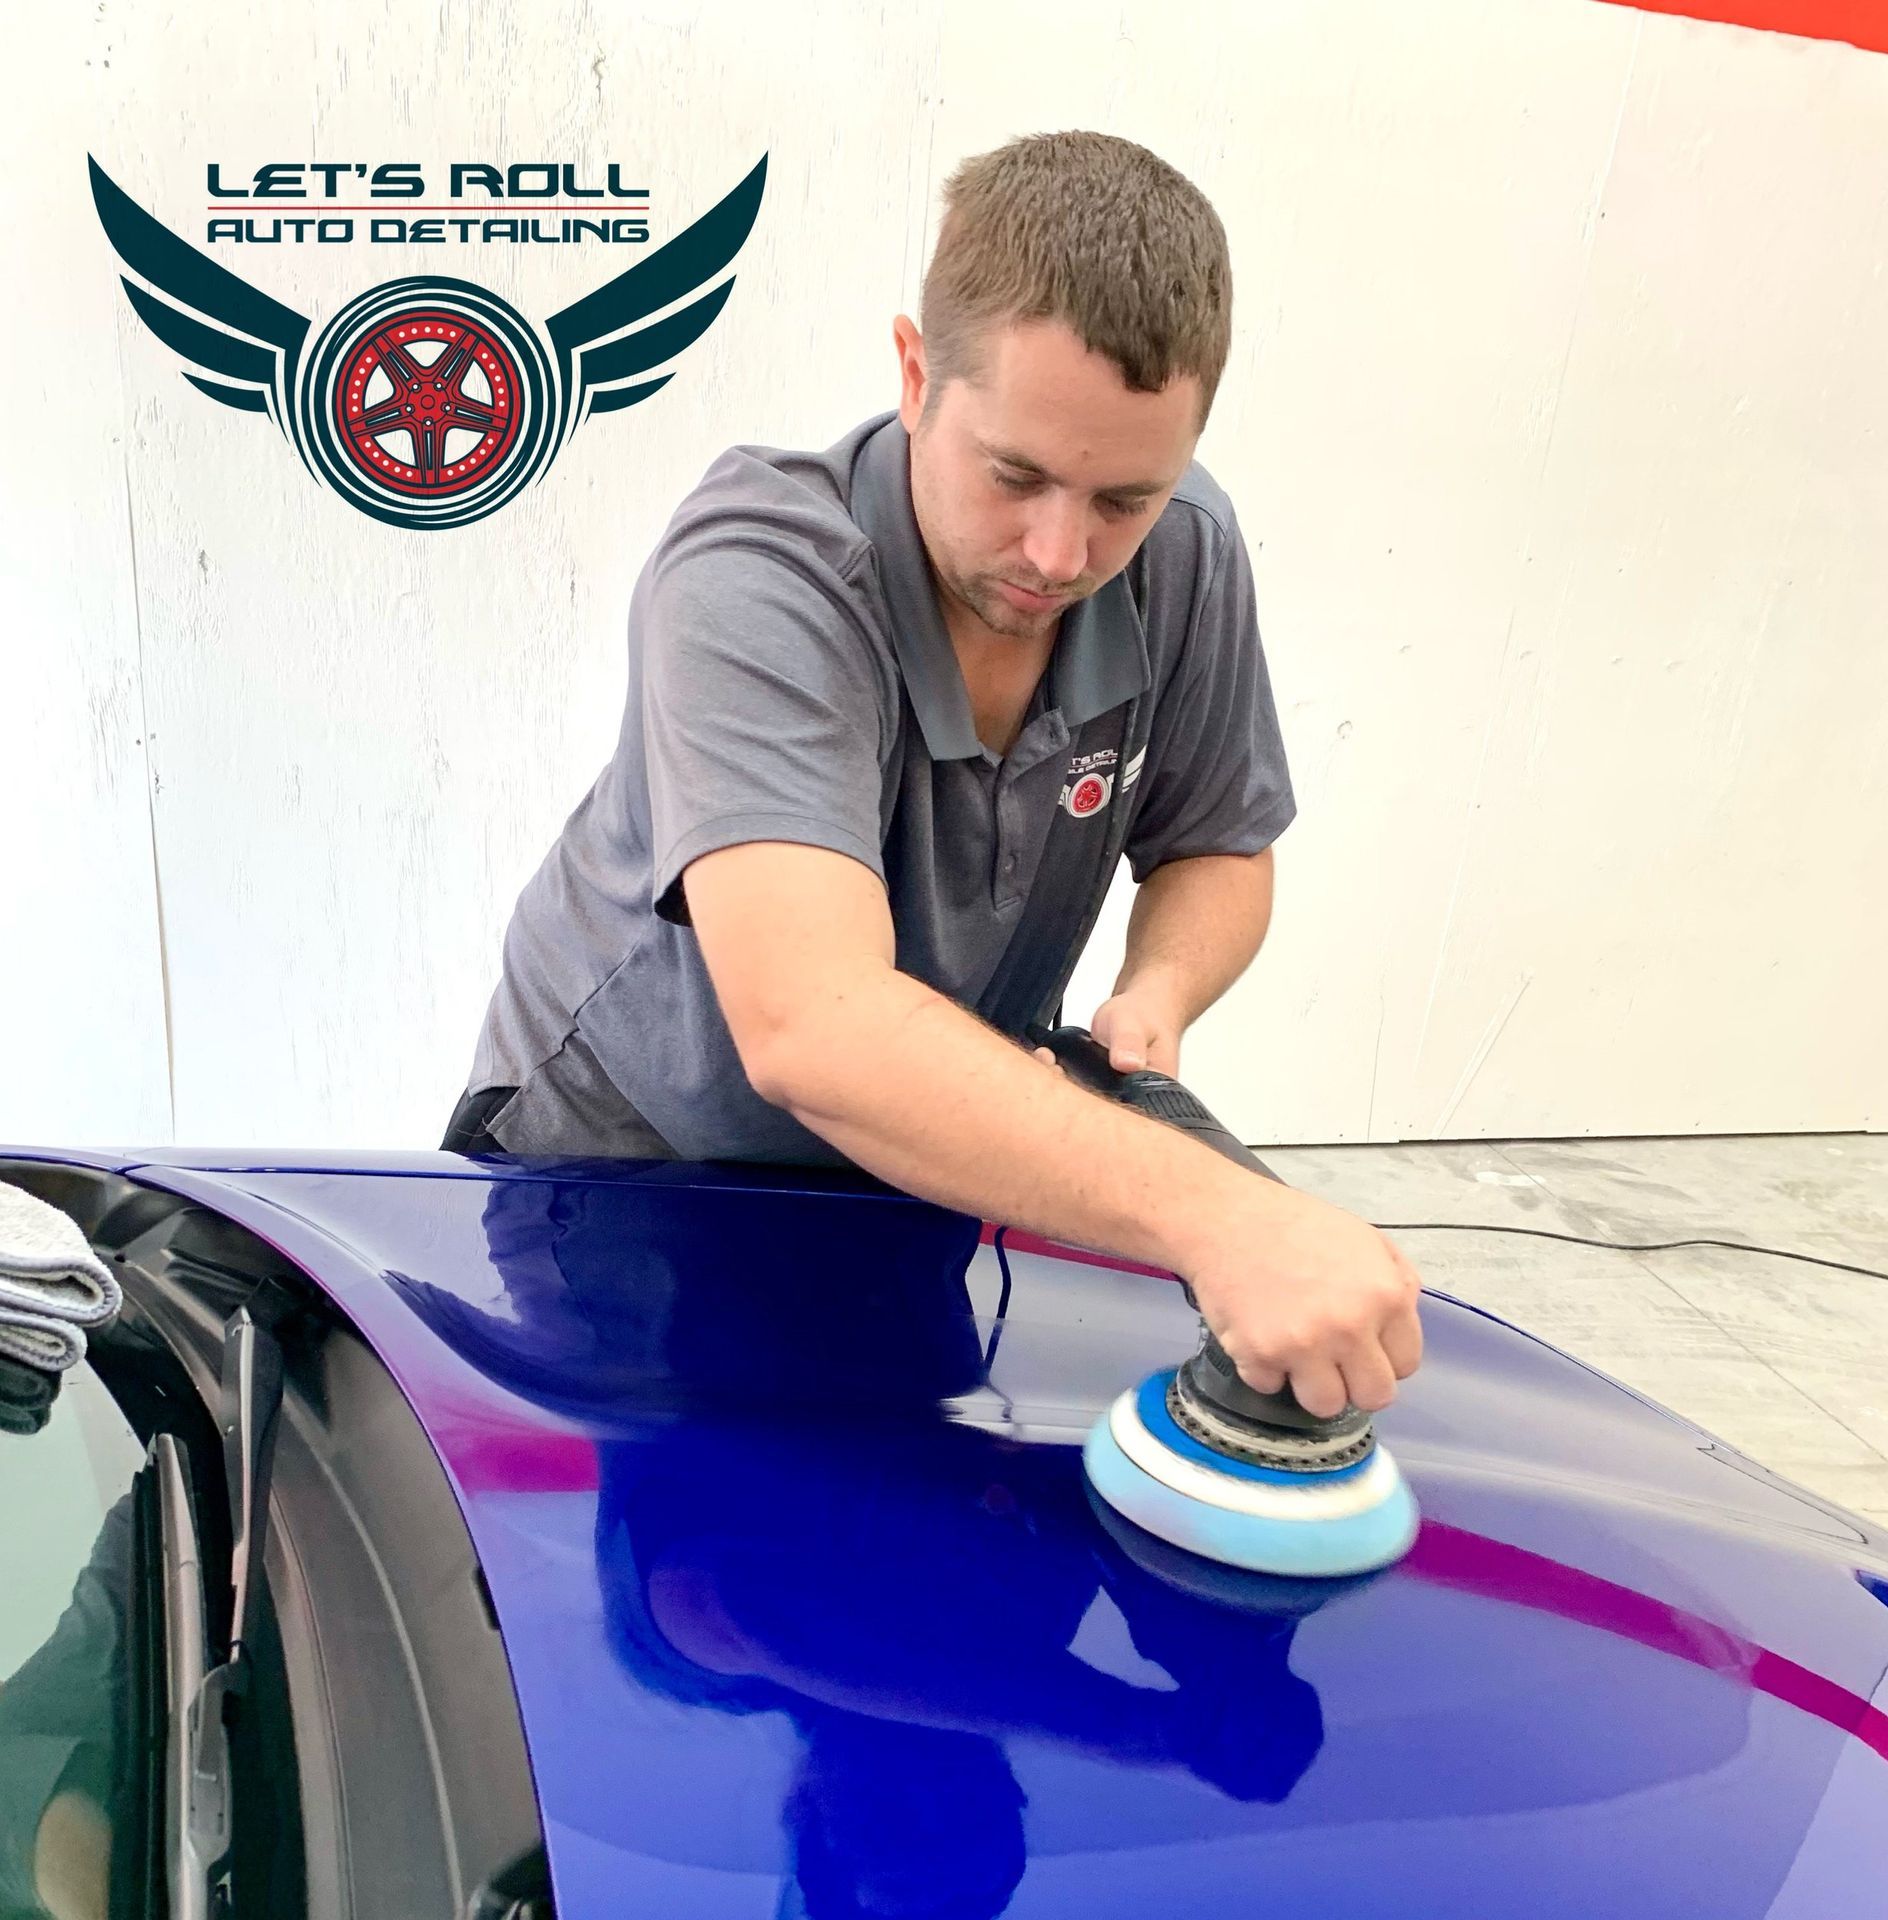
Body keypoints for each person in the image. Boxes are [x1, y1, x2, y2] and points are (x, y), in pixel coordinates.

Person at [443, 129, 1422, 1420]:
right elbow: (816, 1022)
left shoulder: (1187, 554)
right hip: (631, 1169)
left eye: (1125, 496)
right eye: (1014, 474)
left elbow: (1218, 845)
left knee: (903, 1523)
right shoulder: (755, 579)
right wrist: (1218, 1215)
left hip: (916, 1158)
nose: (1062, 551)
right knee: (700, 1576)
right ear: (916, 375)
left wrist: (1159, 993)